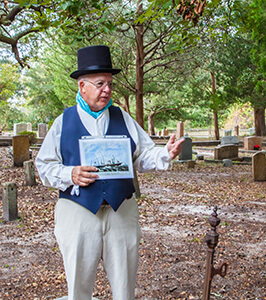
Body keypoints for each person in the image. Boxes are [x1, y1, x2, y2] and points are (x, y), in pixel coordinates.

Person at [35, 45, 184, 300]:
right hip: (78, 213)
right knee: (78, 289)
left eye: (110, 84)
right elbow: (44, 165)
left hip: (121, 213)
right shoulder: (63, 122)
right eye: (100, 84)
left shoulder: (122, 118)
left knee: (124, 287)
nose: (107, 90)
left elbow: (142, 155)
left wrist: (164, 154)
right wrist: (70, 174)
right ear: (82, 86)